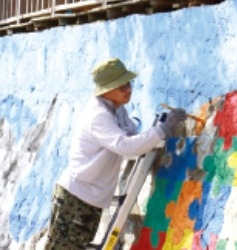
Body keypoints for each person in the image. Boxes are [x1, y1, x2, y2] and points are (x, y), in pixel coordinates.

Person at [44, 58, 186, 249]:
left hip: (90, 198)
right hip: (76, 197)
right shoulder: (99, 115)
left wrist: (158, 129)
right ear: (107, 91)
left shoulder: (117, 110)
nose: (128, 90)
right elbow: (126, 146)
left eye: (128, 84)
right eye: (121, 87)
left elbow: (133, 134)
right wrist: (164, 129)